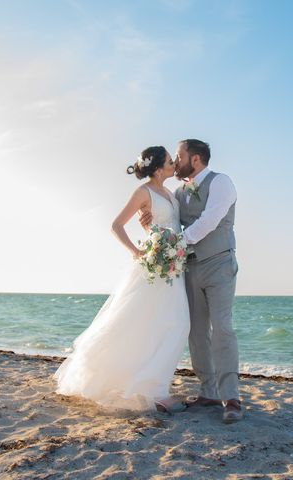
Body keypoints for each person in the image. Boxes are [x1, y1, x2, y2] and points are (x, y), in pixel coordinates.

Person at [54, 146, 189, 413]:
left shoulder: (171, 194)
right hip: (152, 268)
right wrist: (137, 251)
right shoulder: (143, 192)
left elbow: (168, 226)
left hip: (173, 267)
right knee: (149, 324)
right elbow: (116, 225)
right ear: (159, 167)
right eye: (169, 161)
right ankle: (157, 391)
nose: (174, 163)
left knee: (174, 324)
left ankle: (152, 383)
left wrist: (151, 229)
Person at [140, 139, 241, 423]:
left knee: (222, 327)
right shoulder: (178, 193)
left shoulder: (221, 183)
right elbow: (168, 221)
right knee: (196, 332)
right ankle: (209, 392)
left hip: (219, 262)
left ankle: (231, 397)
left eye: (179, 156)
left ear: (195, 159)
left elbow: (209, 220)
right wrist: (148, 223)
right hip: (189, 268)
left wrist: (179, 242)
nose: (175, 160)